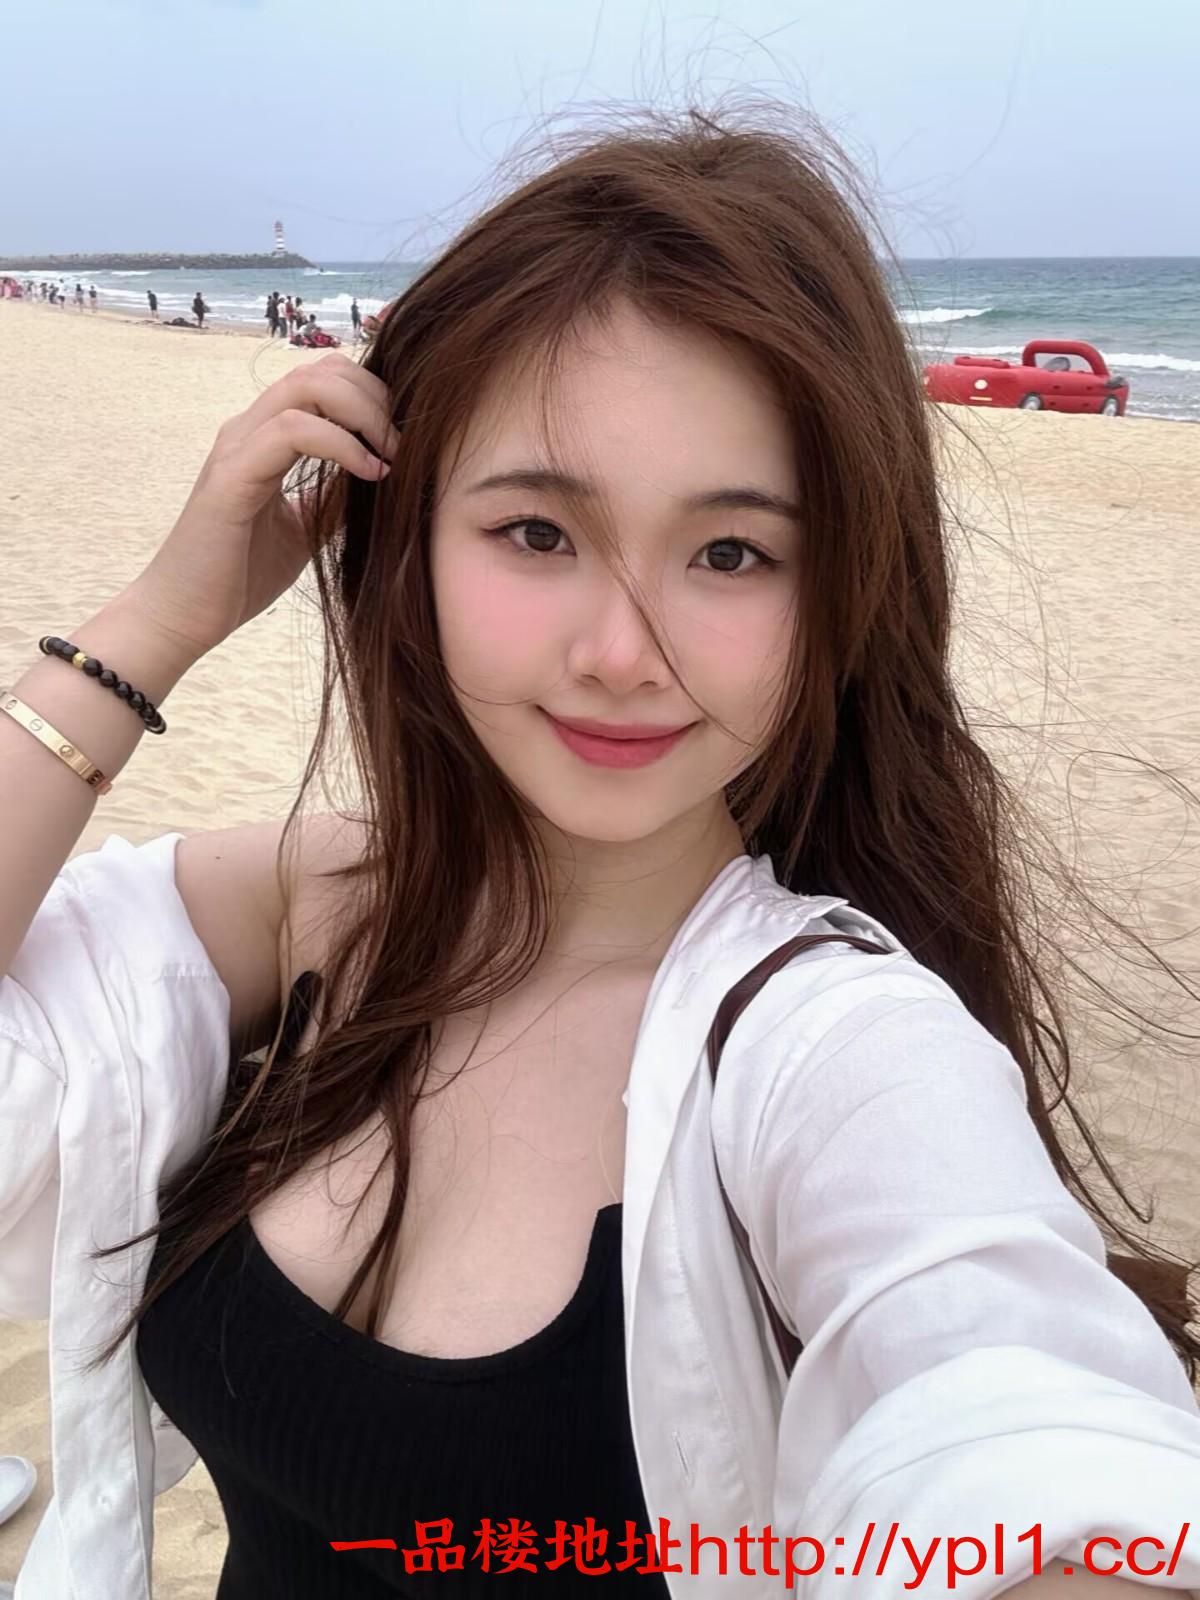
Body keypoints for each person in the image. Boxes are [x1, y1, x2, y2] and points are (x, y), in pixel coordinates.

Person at [2, 106, 1200, 1600]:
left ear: (838, 597)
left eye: (730, 554)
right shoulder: (309, 907)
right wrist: (153, 625)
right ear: (407, 540)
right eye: (537, 533)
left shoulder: (835, 1049)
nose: (622, 653)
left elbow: (1027, 1432)